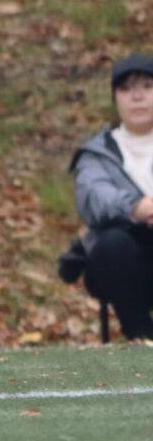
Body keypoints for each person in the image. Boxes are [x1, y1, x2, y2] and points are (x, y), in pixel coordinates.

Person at [72, 53, 153, 339]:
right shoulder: (97, 152)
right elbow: (93, 195)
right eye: (126, 89)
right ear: (115, 98)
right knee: (112, 244)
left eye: (147, 87)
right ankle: (140, 336)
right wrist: (136, 208)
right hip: (129, 259)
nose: (137, 97)